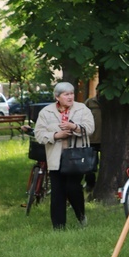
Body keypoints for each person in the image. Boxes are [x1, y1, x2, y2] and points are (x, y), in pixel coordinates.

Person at [35, 82, 95, 229]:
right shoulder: (46, 112)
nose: (70, 97)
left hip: (76, 157)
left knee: (73, 188)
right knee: (57, 192)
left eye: (72, 93)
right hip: (56, 158)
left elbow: (90, 128)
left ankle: (81, 216)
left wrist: (73, 127)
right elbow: (39, 134)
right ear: (57, 97)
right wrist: (56, 135)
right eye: (66, 94)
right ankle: (58, 226)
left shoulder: (82, 109)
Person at [83, 94, 102, 198]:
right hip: (91, 139)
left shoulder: (109, 103)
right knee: (90, 166)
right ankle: (90, 185)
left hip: (105, 140)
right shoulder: (90, 102)